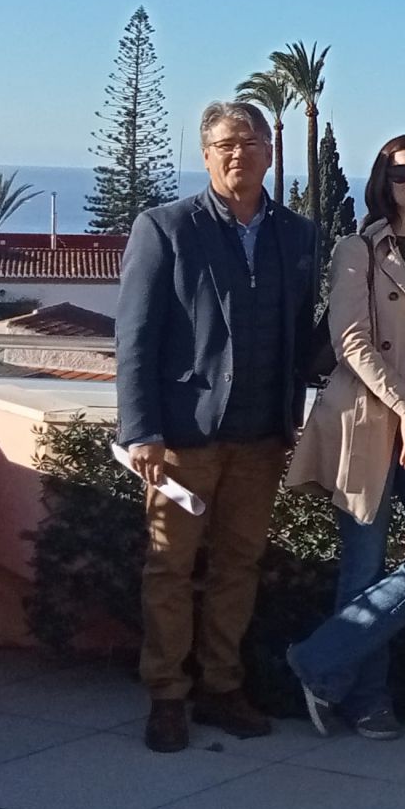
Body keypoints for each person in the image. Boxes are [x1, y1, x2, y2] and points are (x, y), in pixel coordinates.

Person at [116, 100, 319, 752]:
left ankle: (221, 686)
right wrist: (141, 431)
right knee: (169, 569)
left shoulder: (298, 235)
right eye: (226, 144)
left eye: (251, 141)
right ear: (206, 156)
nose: (239, 153)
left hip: (262, 438)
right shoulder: (166, 227)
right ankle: (166, 694)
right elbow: (135, 338)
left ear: (269, 152)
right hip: (182, 437)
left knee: (239, 565)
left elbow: (304, 335)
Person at [285, 133, 405, 738]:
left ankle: (318, 660)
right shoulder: (360, 247)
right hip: (371, 405)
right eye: (401, 173)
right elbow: (350, 337)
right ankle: (366, 700)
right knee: (364, 561)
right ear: (384, 184)